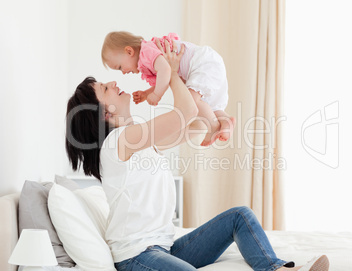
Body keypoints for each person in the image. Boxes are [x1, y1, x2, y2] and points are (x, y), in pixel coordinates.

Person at [65, 40, 329, 271]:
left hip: (165, 248)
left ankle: (276, 270)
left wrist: (217, 123)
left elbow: (193, 126)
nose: (113, 82)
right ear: (104, 114)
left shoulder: (137, 138)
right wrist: (172, 71)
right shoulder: (118, 142)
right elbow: (187, 112)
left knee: (240, 216)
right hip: (136, 257)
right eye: (105, 88)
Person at [101, 31, 236, 147]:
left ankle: (213, 127)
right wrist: (147, 93)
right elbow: (163, 78)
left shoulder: (146, 52)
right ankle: (225, 120)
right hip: (206, 63)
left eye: (119, 67)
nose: (123, 72)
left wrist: (156, 95)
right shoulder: (148, 56)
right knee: (211, 107)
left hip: (201, 63)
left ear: (129, 51)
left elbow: (166, 69)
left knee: (191, 101)